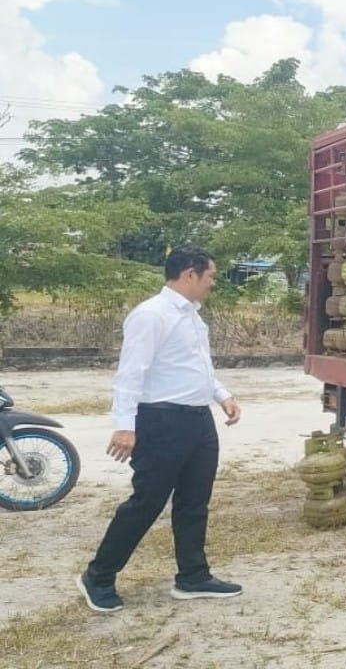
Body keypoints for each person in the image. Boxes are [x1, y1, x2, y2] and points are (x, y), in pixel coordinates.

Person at [78, 246, 243, 613]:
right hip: (161, 421)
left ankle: (193, 576)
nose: (212, 283)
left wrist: (222, 395)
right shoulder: (151, 315)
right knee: (147, 502)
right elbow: (130, 373)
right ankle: (99, 576)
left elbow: (194, 367)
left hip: (198, 421)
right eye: (210, 276)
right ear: (190, 274)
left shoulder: (193, 317)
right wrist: (125, 426)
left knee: (194, 501)